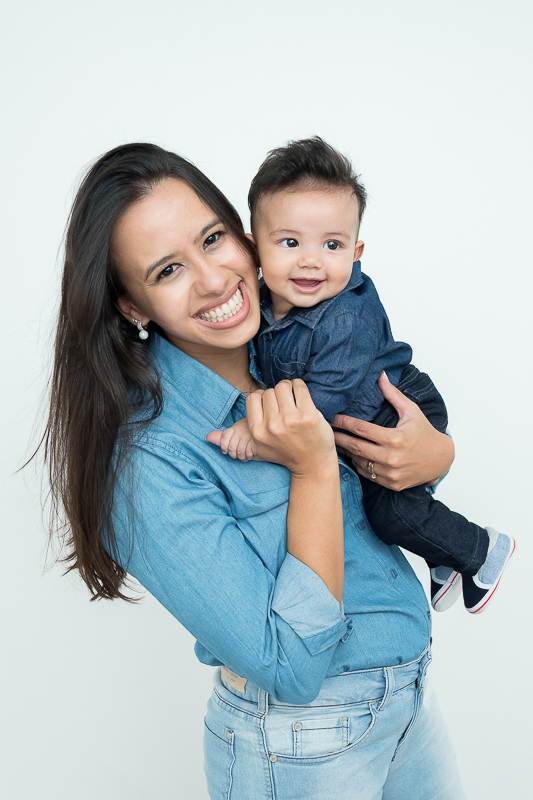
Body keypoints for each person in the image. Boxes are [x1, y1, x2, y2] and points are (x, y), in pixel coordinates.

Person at [42, 141, 464, 799]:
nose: (212, 279)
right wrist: (313, 469)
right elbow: (288, 667)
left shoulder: (296, 340)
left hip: (407, 705)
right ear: (131, 306)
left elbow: (391, 449)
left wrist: (436, 453)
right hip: (303, 744)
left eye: (213, 238)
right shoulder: (148, 459)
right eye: (168, 270)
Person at [211, 136, 515, 615]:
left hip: (397, 408)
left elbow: (326, 397)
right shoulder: (260, 306)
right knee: (382, 510)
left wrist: (256, 432)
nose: (311, 260)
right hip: (362, 421)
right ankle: (447, 562)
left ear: (356, 251)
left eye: (331, 245)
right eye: (290, 242)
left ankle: (480, 551)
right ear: (253, 249)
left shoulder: (347, 317)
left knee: (391, 513)